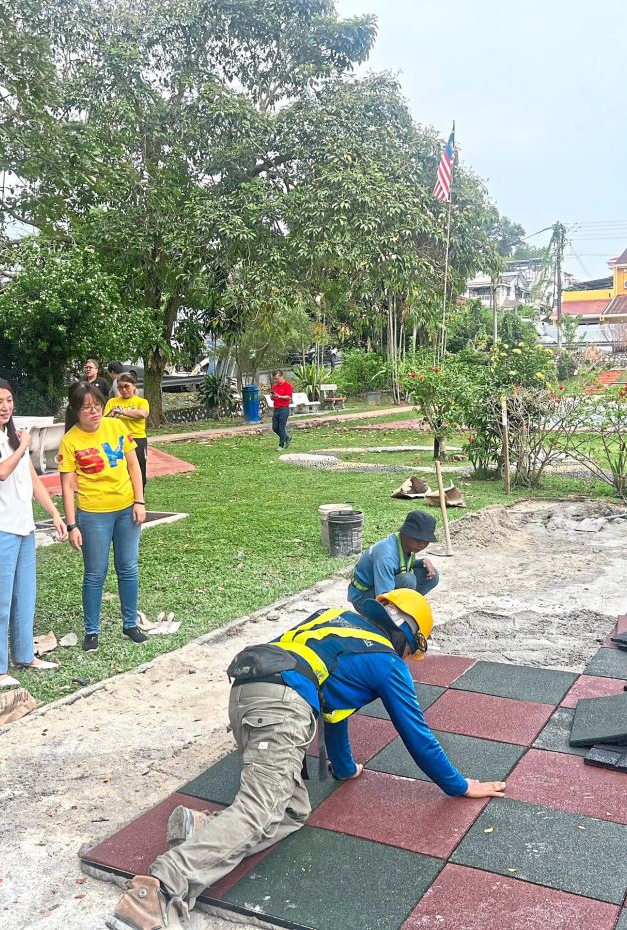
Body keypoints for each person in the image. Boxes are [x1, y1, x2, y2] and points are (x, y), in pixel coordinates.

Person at [107, 589, 506, 930]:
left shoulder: (336, 620)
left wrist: (346, 769)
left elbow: (334, 713)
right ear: (407, 635)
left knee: (293, 811)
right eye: (411, 649)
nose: (407, 658)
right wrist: (460, 785)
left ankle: (203, 829)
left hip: (247, 694)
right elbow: (416, 734)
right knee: (258, 810)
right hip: (282, 707)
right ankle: (158, 890)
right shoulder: (384, 660)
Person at [0, 376, 68, 687]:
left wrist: (54, 513)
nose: (6, 407)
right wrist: (23, 445)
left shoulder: (11, 435)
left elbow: (31, 477)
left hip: (23, 525)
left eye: (8, 400)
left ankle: (24, 654)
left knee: (25, 595)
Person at [58, 381, 148, 652]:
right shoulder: (70, 440)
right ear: (75, 411)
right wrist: (72, 524)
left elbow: (134, 466)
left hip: (126, 509)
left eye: (97, 406)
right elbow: (66, 486)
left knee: (128, 567)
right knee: (95, 574)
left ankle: (130, 624)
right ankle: (92, 631)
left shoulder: (117, 427)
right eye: (87, 408)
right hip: (93, 514)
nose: (94, 412)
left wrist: (139, 500)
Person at [348, 511, 440, 615]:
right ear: (406, 533)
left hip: (381, 588)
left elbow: (400, 565)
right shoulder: (386, 555)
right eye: (419, 539)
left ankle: (404, 608)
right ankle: (391, 614)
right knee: (408, 579)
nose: (422, 544)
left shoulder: (406, 544)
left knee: (432, 575)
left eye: (426, 541)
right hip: (363, 599)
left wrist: (422, 562)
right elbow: (383, 596)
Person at [104, 372, 150, 487]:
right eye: (120, 387)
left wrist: (122, 411)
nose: (123, 390)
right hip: (118, 440)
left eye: (126, 386)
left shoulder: (141, 402)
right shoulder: (112, 402)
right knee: (120, 469)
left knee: (139, 468)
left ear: (134, 386)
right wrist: (112, 414)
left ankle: (139, 497)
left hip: (137, 438)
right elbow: (104, 421)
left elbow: (143, 414)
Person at [268, 369, 292, 451]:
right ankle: (287, 437)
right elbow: (272, 397)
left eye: (277, 378)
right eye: (275, 379)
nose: (276, 380)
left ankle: (281, 445)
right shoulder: (275, 386)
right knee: (274, 427)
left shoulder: (287, 385)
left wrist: (280, 396)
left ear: (281, 376)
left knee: (281, 428)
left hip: (284, 409)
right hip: (276, 409)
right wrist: (272, 397)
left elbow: (289, 397)